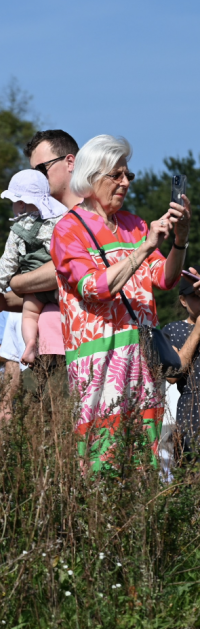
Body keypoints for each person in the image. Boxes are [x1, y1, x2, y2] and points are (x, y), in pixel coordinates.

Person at [51, 134, 189, 473]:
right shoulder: (69, 229)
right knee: (102, 460)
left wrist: (180, 240)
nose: (126, 182)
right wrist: (143, 248)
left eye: (129, 175)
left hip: (142, 355)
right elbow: (93, 287)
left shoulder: (133, 224)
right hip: (100, 358)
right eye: (117, 175)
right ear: (92, 176)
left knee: (144, 460)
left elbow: (164, 279)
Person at [9, 130, 80, 387]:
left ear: (70, 162)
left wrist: (18, 283)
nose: (35, 177)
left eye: (42, 168)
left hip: (82, 349)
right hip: (46, 351)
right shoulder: (39, 221)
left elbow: (66, 268)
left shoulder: (89, 215)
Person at [0, 170, 69, 365]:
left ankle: (30, 343)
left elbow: (8, 261)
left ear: (20, 203)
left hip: (33, 290)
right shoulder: (59, 223)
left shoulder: (17, 230)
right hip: (55, 286)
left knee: (29, 315)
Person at [165, 273, 200, 456]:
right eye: (195, 297)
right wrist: (197, 331)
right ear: (183, 300)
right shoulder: (173, 330)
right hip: (192, 411)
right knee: (191, 472)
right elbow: (172, 374)